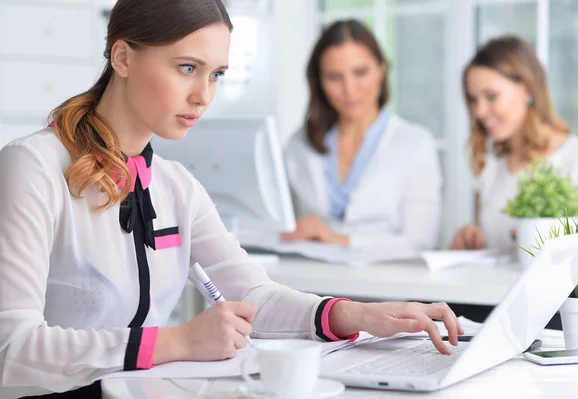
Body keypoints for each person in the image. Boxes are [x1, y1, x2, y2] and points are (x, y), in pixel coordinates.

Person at [0, 2, 463, 398]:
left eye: (216, 74)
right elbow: (11, 348)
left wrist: (357, 314)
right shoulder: (32, 167)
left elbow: (254, 296)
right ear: (122, 57)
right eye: (187, 68)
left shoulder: (176, 185)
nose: (203, 96)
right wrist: (176, 342)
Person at [282, 19, 442, 253]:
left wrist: (339, 239)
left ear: (381, 70)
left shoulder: (415, 143)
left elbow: (419, 241)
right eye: (335, 77)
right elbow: (285, 223)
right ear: (319, 81)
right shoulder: (300, 145)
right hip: (312, 284)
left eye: (360, 72)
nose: (349, 90)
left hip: (386, 284)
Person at [450, 35, 578, 254]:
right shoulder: (492, 166)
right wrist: (475, 239)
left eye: (491, 96)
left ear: (528, 89)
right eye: (474, 100)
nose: (479, 112)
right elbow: (498, 248)